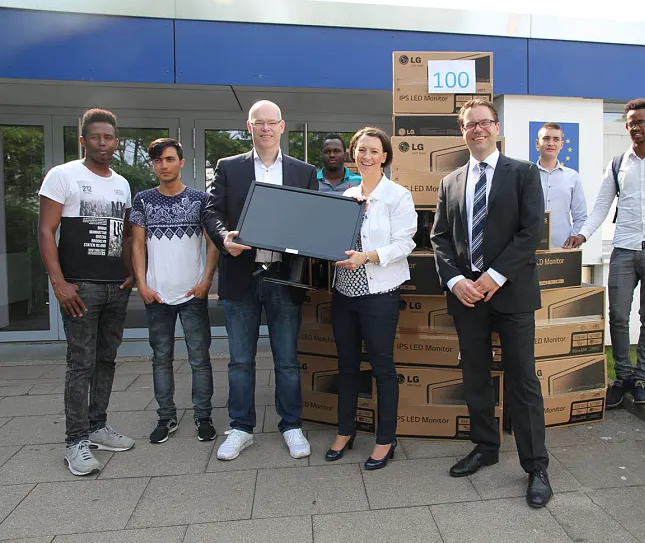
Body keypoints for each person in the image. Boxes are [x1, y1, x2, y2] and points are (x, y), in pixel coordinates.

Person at [430, 99, 552, 508]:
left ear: (496, 127)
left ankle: (536, 466)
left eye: (484, 123)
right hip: (467, 297)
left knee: (521, 378)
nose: (477, 129)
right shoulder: (451, 182)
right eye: (469, 125)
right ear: (462, 131)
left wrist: (494, 276)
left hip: (511, 293)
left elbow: (530, 231)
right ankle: (485, 447)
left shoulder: (523, 172)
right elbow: (439, 238)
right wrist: (455, 280)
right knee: (476, 375)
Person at [203, 100, 318, 460]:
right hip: (241, 275)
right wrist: (224, 238)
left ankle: (292, 425)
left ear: (282, 126)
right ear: (248, 126)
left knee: (286, 359)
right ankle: (240, 427)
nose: (265, 128)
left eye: (271, 122)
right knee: (240, 360)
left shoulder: (303, 171)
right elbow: (210, 210)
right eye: (258, 123)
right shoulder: (229, 167)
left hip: (284, 277)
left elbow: (315, 217)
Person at [567, 98, 645, 408]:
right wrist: (582, 234)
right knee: (618, 316)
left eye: (641, 121)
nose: (636, 127)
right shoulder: (618, 163)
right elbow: (601, 206)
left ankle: (640, 378)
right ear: (627, 126)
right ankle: (622, 378)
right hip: (623, 248)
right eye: (632, 122)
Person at [38, 108, 136, 476]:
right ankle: (75, 441)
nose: (103, 143)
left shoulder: (122, 183)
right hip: (80, 287)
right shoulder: (62, 175)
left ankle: (98, 426)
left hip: (115, 287)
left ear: (116, 142)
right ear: (83, 140)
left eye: (109, 138)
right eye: (95, 137)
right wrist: (59, 283)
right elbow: (46, 231)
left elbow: (124, 234)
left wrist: (130, 273)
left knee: (107, 359)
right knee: (80, 363)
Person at [325, 127, 417, 470]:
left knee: (382, 368)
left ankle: (385, 439)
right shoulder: (346, 195)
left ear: (384, 157)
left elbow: (405, 243)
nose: (366, 155)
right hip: (344, 292)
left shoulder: (397, 196)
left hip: (379, 293)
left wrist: (369, 256)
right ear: (353, 154)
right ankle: (345, 431)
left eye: (373, 150)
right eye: (361, 149)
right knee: (347, 366)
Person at [131, 138, 219, 444]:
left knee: (200, 358)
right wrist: (142, 284)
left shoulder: (200, 199)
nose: (164, 166)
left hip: (192, 294)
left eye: (169, 159)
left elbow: (212, 243)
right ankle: (165, 417)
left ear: (181, 162)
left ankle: (203, 415)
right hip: (156, 295)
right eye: (158, 161)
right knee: (161, 359)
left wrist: (206, 282)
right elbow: (137, 244)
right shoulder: (142, 200)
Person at [533, 122, 587, 248]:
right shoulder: (527, 175)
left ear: (561, 144)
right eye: (546, 139)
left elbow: (581, 216)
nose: (551, 143)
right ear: (537, 143)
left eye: (556, 139)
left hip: (562, 250)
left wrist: (573, 240)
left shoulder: (572, 177)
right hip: (530, 251)